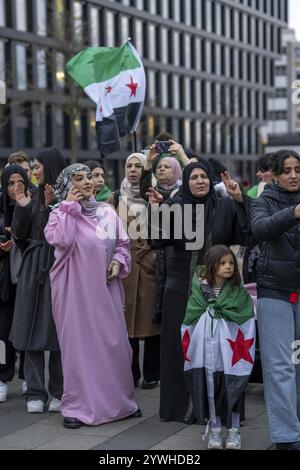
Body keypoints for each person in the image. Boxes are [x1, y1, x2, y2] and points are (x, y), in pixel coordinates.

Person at [148, 161, 249, 423]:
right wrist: (156, 211)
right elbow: (156, 241)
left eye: (205, 176)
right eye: (194, 177)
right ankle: (182, 408)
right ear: (186, 182)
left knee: (221, 348)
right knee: (181, 347)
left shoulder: (225, 205)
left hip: (221, 288)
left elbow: (247, 234)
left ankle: (222, 409)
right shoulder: (174, 206)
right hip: (181, 286)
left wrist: (240, 199)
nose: (200, 181)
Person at [44, 163, 139, 429]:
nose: (87, 182)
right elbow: (63, 240)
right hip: (74, 294)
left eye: (88, 177)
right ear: (67, 187)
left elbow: (122, 244)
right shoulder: (58, 215)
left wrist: (118, 262)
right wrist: (69, 208)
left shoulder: (107, 213)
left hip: (106, 291)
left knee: (115, 344)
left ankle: (120, 403)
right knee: (80, 349)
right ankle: (77, 406)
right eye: (79, 179)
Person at [250, 149, 300, 450]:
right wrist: (292, 213)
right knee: (280, 366)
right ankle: (287, 436)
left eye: (298, 169)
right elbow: (259, 229)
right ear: (276, 175)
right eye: (287, 170)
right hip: (274, 293)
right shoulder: (264, 200)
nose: (293, 175)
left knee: (297, 364)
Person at [182, 245, 255, 450]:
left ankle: (233, 431)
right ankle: (215, 429)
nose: (228, 267)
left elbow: (246, 319)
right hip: (206, 352)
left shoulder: (238, 292)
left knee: (232, 388)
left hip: (231, 355)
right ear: (212, 265)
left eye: (231, 263)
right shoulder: (199, 291)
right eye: (222, 263)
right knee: (210, 386)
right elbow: (190, 318)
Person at [10, 147, 65, 413]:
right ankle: (34, 391)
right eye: (32, 166)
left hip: (59, 267)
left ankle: (59, 390)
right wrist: (22, 208)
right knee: (28, 327)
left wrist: (51, 205)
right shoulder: (30, 197)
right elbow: (20, 236)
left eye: (38, 165)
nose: (34, 170)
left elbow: (56, 234)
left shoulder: (67, 198)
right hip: (33, 268)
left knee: (57, 331)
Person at [108, 153, 160, 389]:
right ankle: (130, 371)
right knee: (126, 320)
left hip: (149, 265)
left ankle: (151, 372)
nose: (133, 170)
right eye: (129, 165)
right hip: (125, 267)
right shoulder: (116, 197)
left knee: (151, 321)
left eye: (139, 166)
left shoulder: (156, 196)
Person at [0, 166, 29, 402]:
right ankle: (1, 378)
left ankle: (29, 376)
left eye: (20, 182)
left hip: (26, 279)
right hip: (3, 283)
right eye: (10, 183)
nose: (15, 187)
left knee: (26, 331)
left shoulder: (31, 206)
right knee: (2, 334)